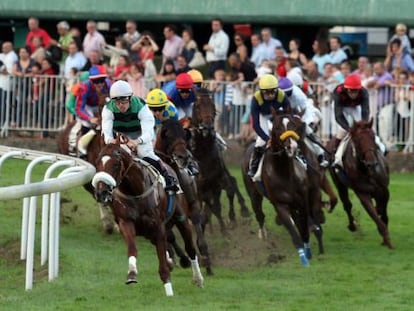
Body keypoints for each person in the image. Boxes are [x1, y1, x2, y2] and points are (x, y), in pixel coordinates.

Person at [101, 81, 179, 192]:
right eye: (116, 101)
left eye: (123, 100)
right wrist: (111, 140)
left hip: (140, 133)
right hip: (121, 135)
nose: (120, 105)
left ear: (130, 98)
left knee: (144, 153)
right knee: (111, 157)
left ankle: (168, 178)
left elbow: (149, 133)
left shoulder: (142, 107)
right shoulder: (108, 109)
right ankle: (105, 187)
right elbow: (106, 132)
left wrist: (137, 142)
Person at [331, 74, 386, 169]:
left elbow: (365, 112)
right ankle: (335, 156)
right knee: (342, 131)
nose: (353, 94)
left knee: (366, 131)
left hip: (355, 107)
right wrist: (349, 129)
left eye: (356, 91)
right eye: (351, 91)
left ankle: (380, 147)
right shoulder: (338, 92)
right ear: (346, 89)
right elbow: (338, 116)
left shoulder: (364, 92)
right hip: (341, 108)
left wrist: (363, 127)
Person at [146, 88, 199, 176]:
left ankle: (189, 164)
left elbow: (177, 131)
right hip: (151, 126)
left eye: (160, 109)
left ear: (165, 106)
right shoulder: (144, 111)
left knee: (180, 138)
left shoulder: (171, 111)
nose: (158, 113)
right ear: (149, 107)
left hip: (167, 124)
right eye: (154, 109)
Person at [278, 77, 328, 167]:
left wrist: (305, 122)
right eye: (285, 94)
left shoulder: (298, 95)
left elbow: (306, 109)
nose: (287, 95)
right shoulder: (276, 96)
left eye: (289, 93)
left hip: (298, 112)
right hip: (284, 114)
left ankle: (320, 154)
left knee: (308, 131)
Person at [247, 74, 291, 177]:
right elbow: (256, 125)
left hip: (277, 114)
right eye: (267, 92)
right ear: (261, 91)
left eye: (273, 92)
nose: (271, 95)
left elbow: (289, 114)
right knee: (261, 141)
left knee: (290, 138)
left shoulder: (282, 95)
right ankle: (254, 165)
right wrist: (267, 139)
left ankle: (300, 157)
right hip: (263, 115)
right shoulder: (256, 99)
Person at [75, 65, 111, 156]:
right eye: (96, 81)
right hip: (88, 107)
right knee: (88, 123)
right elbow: (79, 108)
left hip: (103, 106)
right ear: (91, 80)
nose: (100, 84)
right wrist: (90, 118)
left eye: (101, 80)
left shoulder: (109, 84)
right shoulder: (84, 87)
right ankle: (81, 148)